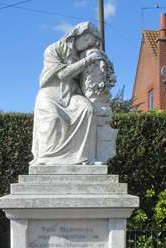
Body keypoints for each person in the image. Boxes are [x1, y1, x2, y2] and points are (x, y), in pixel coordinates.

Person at [31, 22, 107, 166]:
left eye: (90, 44)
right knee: (53, 119)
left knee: (87, 110)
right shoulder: (53, 49)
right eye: (86, 40)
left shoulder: (82, 55)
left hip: (71, 94)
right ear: (74, 36)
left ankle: (85, 158)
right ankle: (47, 159)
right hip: (50, 95)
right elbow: (63, 74)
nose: (86, 45)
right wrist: (87, 61)